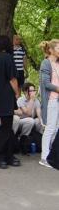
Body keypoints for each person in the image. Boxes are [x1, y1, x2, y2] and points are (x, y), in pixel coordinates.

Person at [0, 35, 21, 169]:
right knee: (6, 128)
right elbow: (12, 79)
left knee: (7, 127)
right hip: (7, 96)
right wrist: (17, 93)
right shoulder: (7, 57)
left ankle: (8, 155)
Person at [38, 39, 59, 168]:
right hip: (51, 99)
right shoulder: (46, 63)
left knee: (57, 128)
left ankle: (52, 156)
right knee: (50, 128)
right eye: (58, 48)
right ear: (51, 50)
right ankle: (44, 157)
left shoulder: (58, 63)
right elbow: (46, 83)